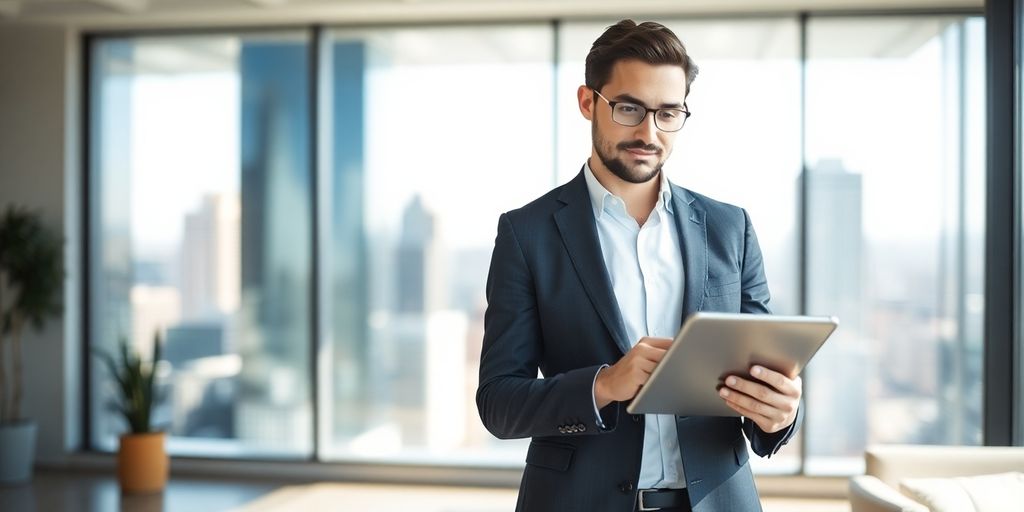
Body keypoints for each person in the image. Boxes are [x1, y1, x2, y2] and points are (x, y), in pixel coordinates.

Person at [475, 19, 803, 512]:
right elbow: (499, 403)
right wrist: (603, 384)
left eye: (669, 113)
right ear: (589, 102)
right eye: (629, 108)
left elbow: (758, 378)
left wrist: (778, 413)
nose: (649, 132)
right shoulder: (528, 233)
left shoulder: (729, 227)